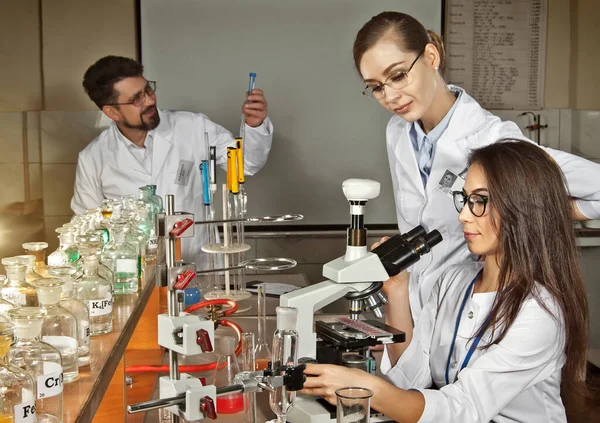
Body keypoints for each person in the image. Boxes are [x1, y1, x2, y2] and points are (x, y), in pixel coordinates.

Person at [302, 140, 589, 423]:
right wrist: (397, 289)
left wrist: (367, 388)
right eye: (464, 199)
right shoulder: (455, 279)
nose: (463, 215)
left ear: (522, 207)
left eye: (479, 201)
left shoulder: (540, 314)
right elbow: (410, 380)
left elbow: (463, 409)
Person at [351, 12, 600, 330]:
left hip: (474, 309)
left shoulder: (491, 138)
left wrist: (539, 206)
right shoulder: (397, 131)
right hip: (418, 304)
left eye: (398, 76)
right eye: (376, 87)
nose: (390, 97)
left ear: (431, 56)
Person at [71, 55, 273, 267]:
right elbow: (87, 230)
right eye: (137, 98)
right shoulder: (93, 158)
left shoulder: (193, 127)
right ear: (112, 112)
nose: (150, 100)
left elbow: (246, 165)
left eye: (148, 90)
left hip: (201, 271)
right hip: (136, 281)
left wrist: (255, 126)